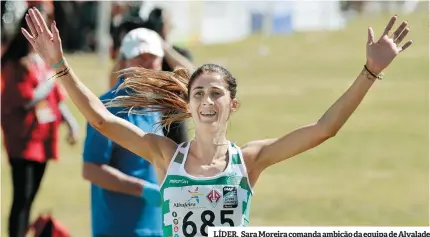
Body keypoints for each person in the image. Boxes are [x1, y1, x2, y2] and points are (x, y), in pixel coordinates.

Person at [22, 7, 412, 237]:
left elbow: (324, 129)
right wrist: (58, 65)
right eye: (199, 94)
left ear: (233, 105)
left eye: (216, 93)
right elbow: (102, 120)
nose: (207, 100)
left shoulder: (251, 160)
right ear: (189, 107)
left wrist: (370, 71)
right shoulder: (164, 155)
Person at [2, 6, 79, 237]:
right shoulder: (16, 62)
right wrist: (48, 83)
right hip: (23, 140)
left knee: (32, 195)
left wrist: (72, 123)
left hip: (44, 137)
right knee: (22, 197)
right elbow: (24, 99)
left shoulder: (45, 61)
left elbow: (57, 99)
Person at [82, 28, 166, 237]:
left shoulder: (154, 105)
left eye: (152, 58)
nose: (147, 65)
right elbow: (91, 169)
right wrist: (141, 189)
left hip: (156, 225)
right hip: (117, 228)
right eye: (140, 57)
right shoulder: (107, 107)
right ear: (124, 62)